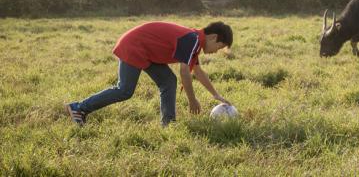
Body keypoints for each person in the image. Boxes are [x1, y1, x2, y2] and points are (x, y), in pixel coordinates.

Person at [65, 21, 234, 126]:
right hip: (135, 46)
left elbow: (198, 71)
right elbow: (185, 72)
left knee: (168, 81)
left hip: (146, 50)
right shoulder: (192, 40)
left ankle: (168, 124)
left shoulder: (195, 41)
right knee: (124, 90)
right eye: (219, 48)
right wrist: (192, 100)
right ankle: (79, 108)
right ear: (213, 37)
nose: (216, 52)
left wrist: (216, 95)